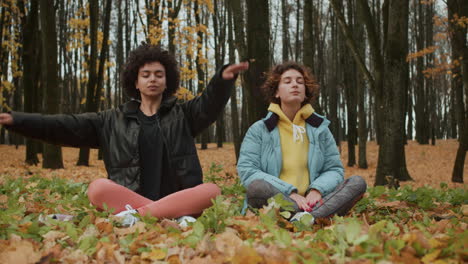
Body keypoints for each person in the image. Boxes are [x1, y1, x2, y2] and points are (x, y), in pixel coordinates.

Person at [0, 44, 249, 227]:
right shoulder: (109, 120)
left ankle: (133, 218)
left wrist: (222, 80)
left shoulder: (184, 115)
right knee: (98, 188)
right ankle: (161, 217)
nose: (153, 79)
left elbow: (209, 103)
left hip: (179, 199)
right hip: (127, 198)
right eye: (146, 74)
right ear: (136, 82)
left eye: (159, 75)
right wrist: (18, 121)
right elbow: (63, 125)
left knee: (212, 191)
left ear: (167, 81)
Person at [237, 62, 366, 223]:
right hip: (279, 201)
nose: (295, 85)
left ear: (305, 93)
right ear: (276, 92)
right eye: (288, 81)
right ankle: (311, 217)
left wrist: (317, 189)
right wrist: (289, 193)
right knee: (257, 187)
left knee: (357, 183)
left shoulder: (320, 129)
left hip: (314, 202)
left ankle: (306, 217)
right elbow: (248, 171)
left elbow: (334, 169)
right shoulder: (260, 130)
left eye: (299, 82)